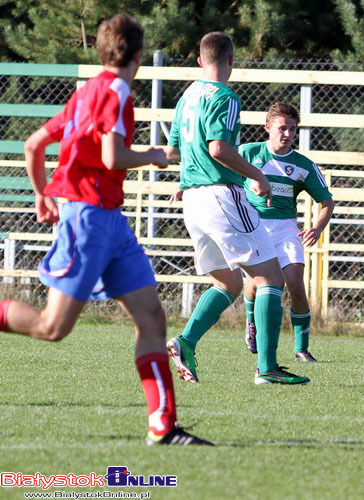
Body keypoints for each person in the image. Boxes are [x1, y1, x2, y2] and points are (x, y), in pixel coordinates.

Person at [0, 13, 212, 446]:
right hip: (89, 219)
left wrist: (42, 192)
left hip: (110, 221)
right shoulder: (115, 92)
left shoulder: (87, 92)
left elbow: (34, 143)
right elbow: (114, 157)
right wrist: (153, 155)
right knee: (52, 327)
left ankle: (163, 427)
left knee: (152, 318)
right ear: (138, 54)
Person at [165, 32, 309, 385]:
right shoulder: (226, 97)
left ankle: (186, 342)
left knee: (228, 283)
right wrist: (256, 175)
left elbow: (171, 154)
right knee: (270, 278)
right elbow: (219, 149)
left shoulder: (186, 99)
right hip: (221, 196)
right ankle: (267, 368)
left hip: (193, 201)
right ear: (231, 60)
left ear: (200, 61)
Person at [241, 102, 334, 362]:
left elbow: (326, 202)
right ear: (267, 128)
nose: (287, 134)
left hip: (286, 229)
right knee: (256, 283)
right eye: (282, 128)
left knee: (295, 283)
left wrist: (317, 227)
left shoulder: (303, 165)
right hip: (254, 227)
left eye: (292, 129)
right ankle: (251, 322)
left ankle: (301, 348)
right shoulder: (248, 153)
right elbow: (219, 171)